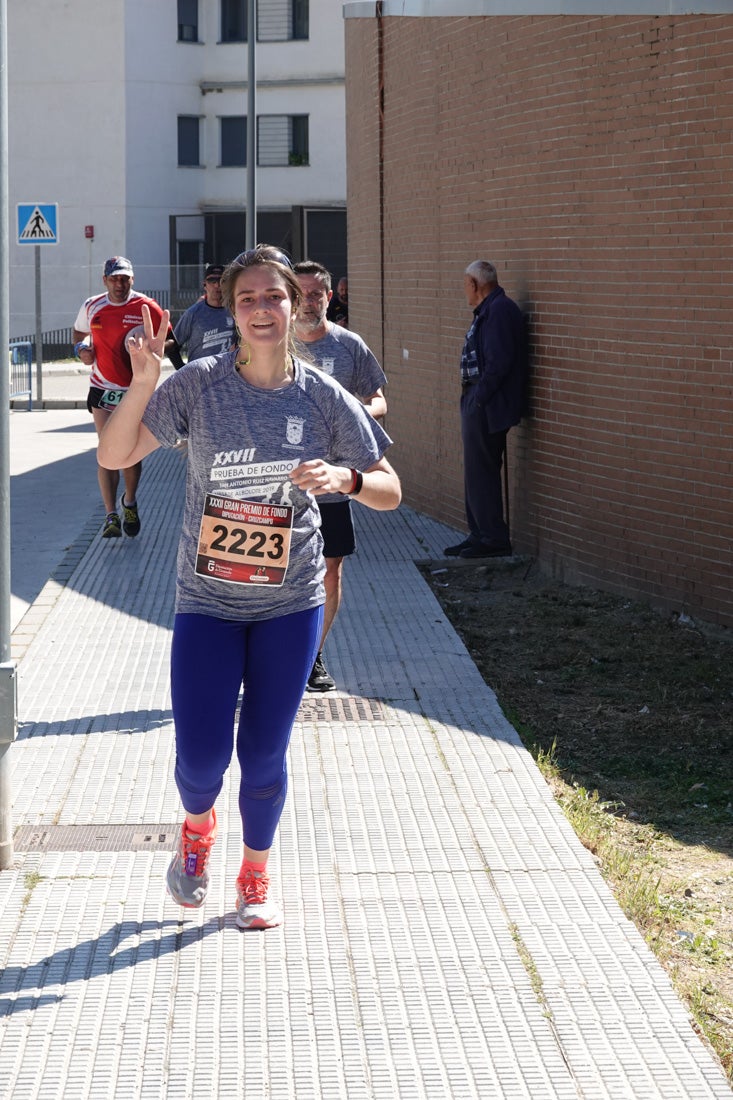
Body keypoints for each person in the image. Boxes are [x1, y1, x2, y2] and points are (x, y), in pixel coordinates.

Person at [97, 244, 401, 930]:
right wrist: (143, 380)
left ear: (295, 305)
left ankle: (255, 874)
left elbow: (389, 489)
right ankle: (197, 829)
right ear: (229, 311)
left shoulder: (322, 395)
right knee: (201, 759)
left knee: (264, 753)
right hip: (206, 603)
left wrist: (345, 480)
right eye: (247, 300)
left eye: (273, 297)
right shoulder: (198, 385)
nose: (262, 311)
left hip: (290, 604)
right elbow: (114, 456)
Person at [293, 260, 387, 692]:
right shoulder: (278, 346)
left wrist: (353, 415)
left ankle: (313, 655)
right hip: (283, 485)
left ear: (329, 297)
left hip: (334, 481)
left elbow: (380, 401)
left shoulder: (350, 346)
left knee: (330, 570)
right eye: (301, 293)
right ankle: (276, 655)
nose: (309, 302)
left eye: (317, 294)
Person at [73, 256, 169, 539]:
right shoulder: (92, 305)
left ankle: (129, 501)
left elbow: (170, 340)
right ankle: (110, 514)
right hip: (102, 388)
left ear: (133, 280)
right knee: (106, 452)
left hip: (134, 391)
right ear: (104, 280)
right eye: (114, 278)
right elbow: (79, 332)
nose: (119, 284)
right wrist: (82, 349)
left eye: (124, 278)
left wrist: (156, 352)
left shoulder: (145, 306)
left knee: (129, 452)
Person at [444, 260, 528, 559]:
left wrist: (479, 399)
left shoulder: (500, 311)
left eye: (465, 284)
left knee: (482, 471)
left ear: (475, 285)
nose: (464, 291)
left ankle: (492, 538)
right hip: (477, 400)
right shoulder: (488, 310)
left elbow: (500, 362)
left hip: (486, 404)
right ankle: (478, 533)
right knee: (475, 471)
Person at [166, 263, 235, 367]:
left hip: (228, 377)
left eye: (222, 281)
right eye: (212, 281)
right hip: (200, 379)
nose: (217, 285)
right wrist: (182, 369)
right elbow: (173, 346)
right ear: (204, 285)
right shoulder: (193, 313)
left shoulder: (236, 311)